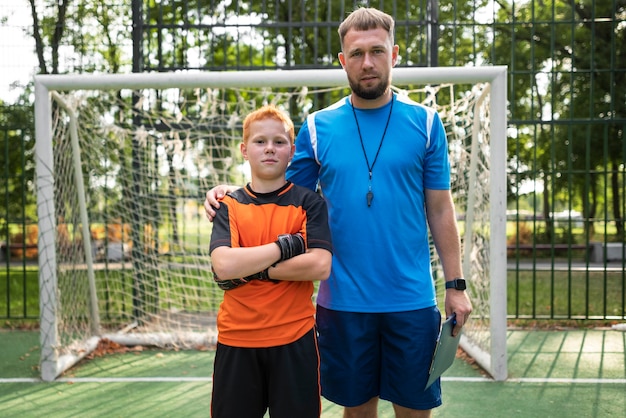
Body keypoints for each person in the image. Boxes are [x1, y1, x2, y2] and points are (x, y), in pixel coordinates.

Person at [205, 7, 472, 418]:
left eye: (377, 51)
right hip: (343, 302)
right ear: (342, 60)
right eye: (358, 53)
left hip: (411, 300)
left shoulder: (426, 122)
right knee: (357, 411)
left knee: (415, 412)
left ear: (395, 55)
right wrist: (227, 193)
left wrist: (456, 284)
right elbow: (276, 190)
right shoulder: (317, 127)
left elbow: (439, 208)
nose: (368, 63)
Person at [208, 104, 333, 418]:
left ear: (292, 151)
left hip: (295, 340)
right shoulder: (229, 206)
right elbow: (223, 266)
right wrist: (284, 247)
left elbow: (319, 265)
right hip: (237, 339)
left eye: (279, 142)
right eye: (260, 141)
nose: (269, 149)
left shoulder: (309, 204)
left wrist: (249, 266)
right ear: (244, 150)